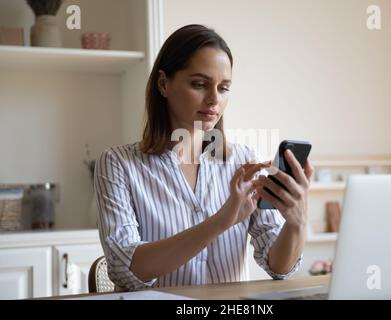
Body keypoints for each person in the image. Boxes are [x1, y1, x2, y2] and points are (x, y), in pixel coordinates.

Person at [94, 24, 314, 291]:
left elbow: (279, 267)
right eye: (199, 84)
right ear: (163, 84)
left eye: (224, 88)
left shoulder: (244, 161)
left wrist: (296, 222)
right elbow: (124, 269)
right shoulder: (118, 164)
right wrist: (220, 222)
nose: (214, 100)